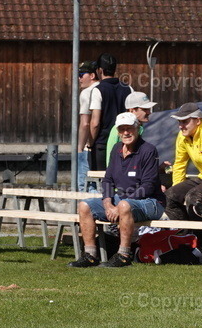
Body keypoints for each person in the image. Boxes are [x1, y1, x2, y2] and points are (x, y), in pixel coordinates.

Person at [69, 113, 165, 268]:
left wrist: (121, 205)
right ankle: (90, 255)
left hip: (151, 202)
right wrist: (108, 204)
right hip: (121, 200)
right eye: (122, 129)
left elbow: (148, 186)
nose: (126, 132)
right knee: (84, 206)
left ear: (137, 128)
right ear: (118, 132)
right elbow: (107, 180)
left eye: (129, 128)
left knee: (125, 206)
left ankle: (124, 255)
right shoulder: (116, 149)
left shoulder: (148, 150)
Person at [88, 53, 133, 171]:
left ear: (100, 70)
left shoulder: (98, 90)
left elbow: (95, 123)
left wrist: (91, 143)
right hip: (123, 142)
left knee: (101, 181)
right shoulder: (128, 88)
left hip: (103, 143)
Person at [105, 91, 157, 163]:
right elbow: (110, 158)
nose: (149, 112)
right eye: (145, 109)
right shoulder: (117, 129)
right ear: (132, 110)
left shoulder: (141, 127)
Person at [76, 60, 99, 191]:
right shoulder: (105, 89)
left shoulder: (87, 92)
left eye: (81, 75)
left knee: (85, 185)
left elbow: (85, 123)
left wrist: (80, 147)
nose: (79, 79)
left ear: (92, 75)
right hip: (106, 145)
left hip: (89, 145)